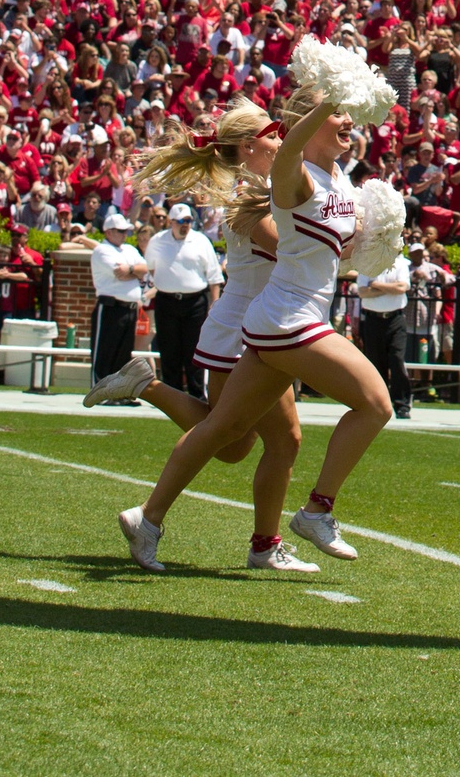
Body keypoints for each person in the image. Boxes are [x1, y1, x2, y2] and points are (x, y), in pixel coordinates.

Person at [118, 85, 392, 572]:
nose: (348, 121)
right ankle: (315, 512)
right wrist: (330, 96)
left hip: (278, 316)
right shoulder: (271, 183)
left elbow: (326, 253)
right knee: (372, 405)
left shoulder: (335, 178)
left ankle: (153, 519)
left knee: (233, 433)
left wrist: (377, 242)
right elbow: (285, 238)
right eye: (337, 113)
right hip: (277, 318)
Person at [88, 100, 312, 571]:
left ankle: (145, 387)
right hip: (247, 330)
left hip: (256, 325)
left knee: (240, 442)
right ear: (251, 145)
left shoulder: (262, 185)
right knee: (239, 436)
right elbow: (292, 248)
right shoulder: (246, 195)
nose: (282, 140)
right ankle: (152, 519)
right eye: (274, 134)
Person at [143, 201, 222, 397]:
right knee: (169, 350)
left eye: (188, 220)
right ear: (170, 222)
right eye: (180, 221)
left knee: (193, 351)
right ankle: (172, 395)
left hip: (194, 302)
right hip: (166, 301)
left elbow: (213, 276)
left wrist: (214, 302)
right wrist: (167, 281)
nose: (184, 225)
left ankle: (197, 396)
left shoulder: (201, 241)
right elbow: (151, 267)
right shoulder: (157, 241)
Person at [356, 245, 414, 421]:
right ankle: (379, 404)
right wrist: (388, 287)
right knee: (375, 363)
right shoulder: (367, 264)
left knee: (397, 360)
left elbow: (402, 287)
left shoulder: (401, 263)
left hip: (395, 319)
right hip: (372, 320)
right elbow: (362, 292)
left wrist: (376, 285)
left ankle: (402, 405)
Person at [90, 208, 146, 386]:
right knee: (104, 353)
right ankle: (99, 391)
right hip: (110, 307)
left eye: (126, 231)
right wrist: (134, 271)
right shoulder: (102, 250)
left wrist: (130, 270)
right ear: (108, 232)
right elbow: (118, 272)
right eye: (121, 231)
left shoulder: (129, 249)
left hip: (129, 309)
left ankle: (117, 392)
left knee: (123, 356)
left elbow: (144, 269)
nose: (125, 234)